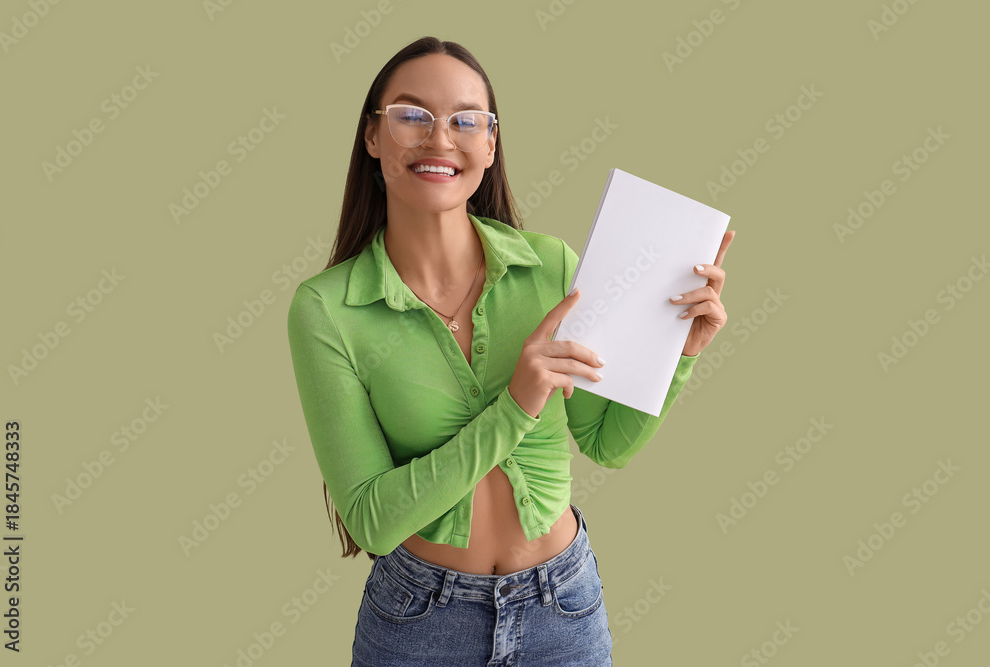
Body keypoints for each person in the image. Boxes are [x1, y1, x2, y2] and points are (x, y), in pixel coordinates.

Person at [286, 35, 735, 666]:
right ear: (372, 135)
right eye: (413, 115)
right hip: (420, 624)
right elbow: (372, 520)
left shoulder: (550, 267)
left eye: (466, 120)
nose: (441, 139)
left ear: (490, 145)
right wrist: (516, 406)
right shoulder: (327, 310)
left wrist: (676, 356)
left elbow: (607, 443)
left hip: (563, 608)